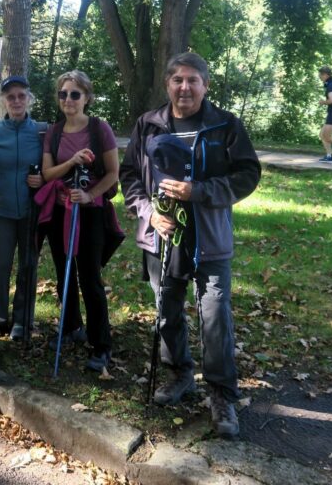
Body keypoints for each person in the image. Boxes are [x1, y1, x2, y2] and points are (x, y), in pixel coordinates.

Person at [120, 52, 261, 439]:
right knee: (167, 310)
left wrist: (199, 191)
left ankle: (221, 393)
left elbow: (248, 174)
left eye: (192, 80)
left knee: (215, 316)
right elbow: (130, 174)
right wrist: (149, 212)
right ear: (168, 84)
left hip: (209, 239)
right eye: (177, 80)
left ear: (205, 85)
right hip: (161, 238)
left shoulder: (224, 125)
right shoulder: (148, 125)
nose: (184, 87)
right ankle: (179, 373)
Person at [39, 69, 119, 372]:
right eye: (63, 94)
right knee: (64, 273)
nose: (68, 99)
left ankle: (101, 345)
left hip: (91, 213)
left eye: (75, 94)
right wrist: (70, 162)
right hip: (60, 212)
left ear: (87, 97)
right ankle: (72, 327)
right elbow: (47, 174)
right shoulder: (54, 131)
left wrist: (90, 195)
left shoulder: (100, 129)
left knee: (89, 277)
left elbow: (113, 172)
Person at [0, 76, 46, 341]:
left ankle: (22, 319)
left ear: (29, 98)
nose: (16, 101)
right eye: (10, 96)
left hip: (32, 212)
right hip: (2, 211)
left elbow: (51, 168)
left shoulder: (41, 131)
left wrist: (43, 179)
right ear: (4, 100)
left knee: (28, 265)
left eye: (21, 95)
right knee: (1, 265)